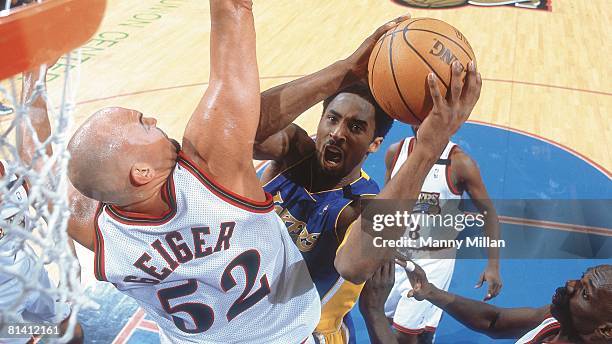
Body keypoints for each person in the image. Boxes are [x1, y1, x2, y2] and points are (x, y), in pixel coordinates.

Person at [56, 1, 320, 342]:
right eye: (142, 123)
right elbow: (234, 10)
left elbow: (50, 170)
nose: (151, 118)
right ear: (142, 173)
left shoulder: (93, 229)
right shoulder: (214, 175)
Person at [253, 18, 482, 343]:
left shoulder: (364, 203)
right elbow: (242, 126)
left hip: (303, 334)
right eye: (332, 119)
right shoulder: (294, 152)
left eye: (356, 127)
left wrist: (429, 147)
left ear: (375, 144)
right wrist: (344, 70)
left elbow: (354, 265)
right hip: (239, 314)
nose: (337, 133)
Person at [382, 127, 502, 343]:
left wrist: (493, 265)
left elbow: (489, 213)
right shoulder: (396, 151)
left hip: (432, 262)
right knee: (386, 322)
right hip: (397, 256)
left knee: (406, 334)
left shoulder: (459, 163)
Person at [0, 66, 83, 343]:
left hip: (32, 277)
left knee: (70, 330)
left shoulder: (9, 170)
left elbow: (36, 166)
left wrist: (35, 74)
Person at [403, 261, 612, 343]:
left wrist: (374, 311)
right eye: (580, 278)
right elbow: (494, 322)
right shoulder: (554, 321)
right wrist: (433, 293)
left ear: (605, 330)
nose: (570, 284)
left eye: (584, 293)